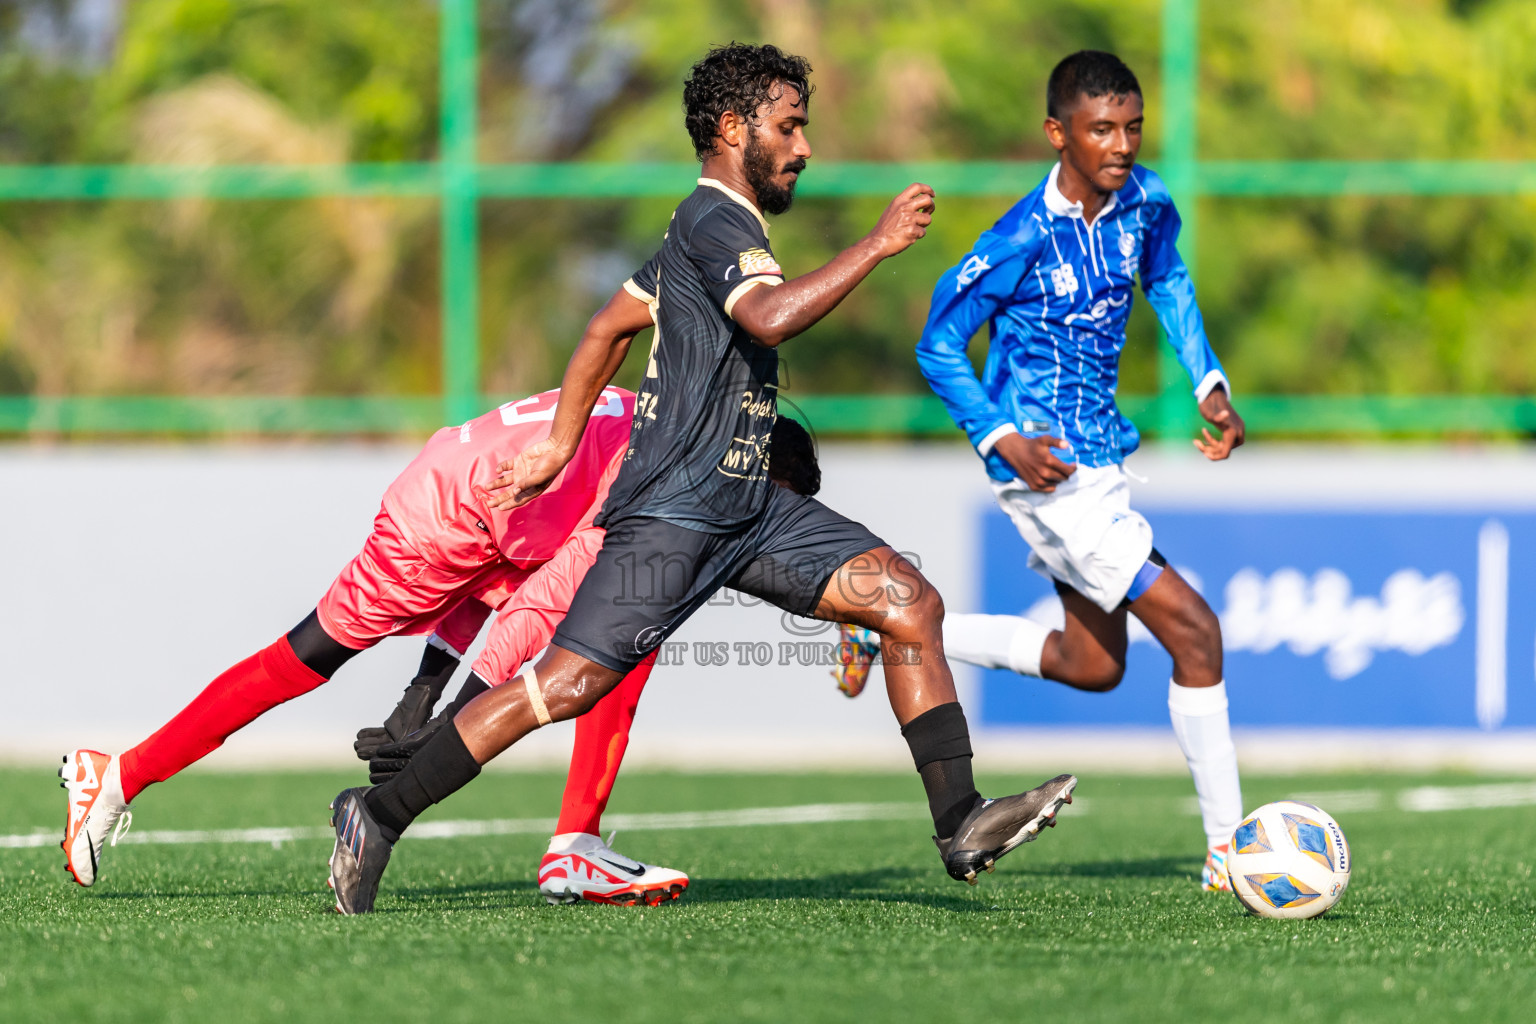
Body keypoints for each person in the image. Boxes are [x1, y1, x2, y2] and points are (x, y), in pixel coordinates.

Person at [327, 42, 1077, 916]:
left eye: (805, 127)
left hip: (751, 507)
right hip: (674, 515)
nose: (803, 146)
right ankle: (375, 815)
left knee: (908, 600)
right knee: (562, 688)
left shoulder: (710, 229)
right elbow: (766, 317)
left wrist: (563, 442)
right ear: (733, 129)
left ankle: (959, 821)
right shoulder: (717, 222)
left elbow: (608, 327)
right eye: (789, 126)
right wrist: (874, 247)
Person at [60, 387, 816, 906]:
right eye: (767, 511)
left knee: (631, 628)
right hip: (444, 519)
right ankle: (117, 776)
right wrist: (457, 716)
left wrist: (429, 694)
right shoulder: (660, 489)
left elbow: (519, 553)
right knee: (305, 656)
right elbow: (538, 600)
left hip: (477, 503)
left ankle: (575, 845)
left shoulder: (680, 425)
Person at [908, 50, 1246, 891]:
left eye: (1132, 126)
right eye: (1102, 128)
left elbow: (1165, 276)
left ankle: (897, 629)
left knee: (1093, 666)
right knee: (1197, 634)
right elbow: (938, 342)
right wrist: (997, 436)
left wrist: (1207, 380)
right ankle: (1231, 853)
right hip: (1046, 469)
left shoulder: (1146, 202)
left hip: (1103, 462)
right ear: (1058, 133)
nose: (1122, 144)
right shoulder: (1019, 236)